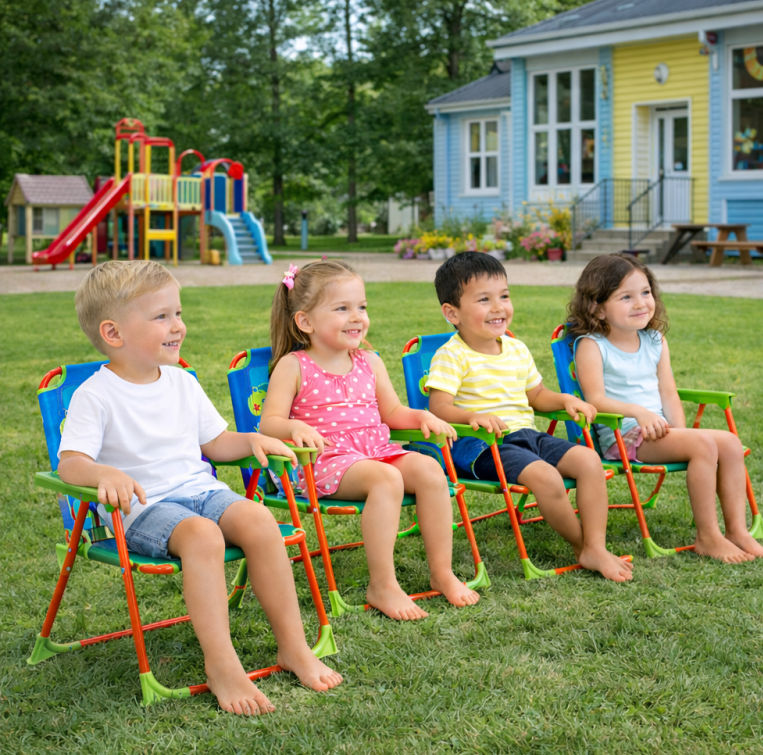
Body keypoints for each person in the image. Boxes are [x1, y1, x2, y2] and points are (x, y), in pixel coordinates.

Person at [57, 260, 342, 716]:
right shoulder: (96, 395)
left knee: (259, 519)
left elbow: (216, 444)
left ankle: (294, 647)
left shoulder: (182, 383)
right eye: (161, 317)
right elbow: (70, 464)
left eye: (178, 313)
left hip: (200, 492)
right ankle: (222, 663)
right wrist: (104, 474)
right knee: (203, 535)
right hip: (145, 509)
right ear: (114, 334)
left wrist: (251, 440)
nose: (178, 326)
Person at [260, 259, 480, 621]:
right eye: (342, 308)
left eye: (361, 307)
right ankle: (383, 584)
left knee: (428, 469)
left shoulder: (369, 361)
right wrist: (292, 429)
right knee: (386, 478)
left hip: (375, 451)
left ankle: (442, 571)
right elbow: (269, 423)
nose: (357, 317)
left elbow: (392, 413)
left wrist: (423, 415)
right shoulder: (295, 365)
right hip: (324, 461)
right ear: (305, 321)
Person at [427, 252, 633, 583]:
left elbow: (536, 396)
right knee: (547, 478)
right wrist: (473, 415)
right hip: (481, 444)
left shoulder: (516, 349)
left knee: (588, 461)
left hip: (525, 434)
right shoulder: (452, 356)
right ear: (452, 312)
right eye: (484, 299)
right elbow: (438, 409)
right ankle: (584, 547)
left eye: (504, 296)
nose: (498, 307)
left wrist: (564, 398)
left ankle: (595, 545)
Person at [570, 253, 763, 563]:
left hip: (659, 431)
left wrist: (680, 432)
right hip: (623, 436)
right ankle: (708, 536)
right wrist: (638, 412)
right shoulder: (592, 345)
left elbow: (668, 392)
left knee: (730, 443)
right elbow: (594, 399)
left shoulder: (654, 340)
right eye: (626, 296)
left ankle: (737, 530)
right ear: (598, 307)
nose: (641, 303)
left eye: (645, 292)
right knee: (704, 443)